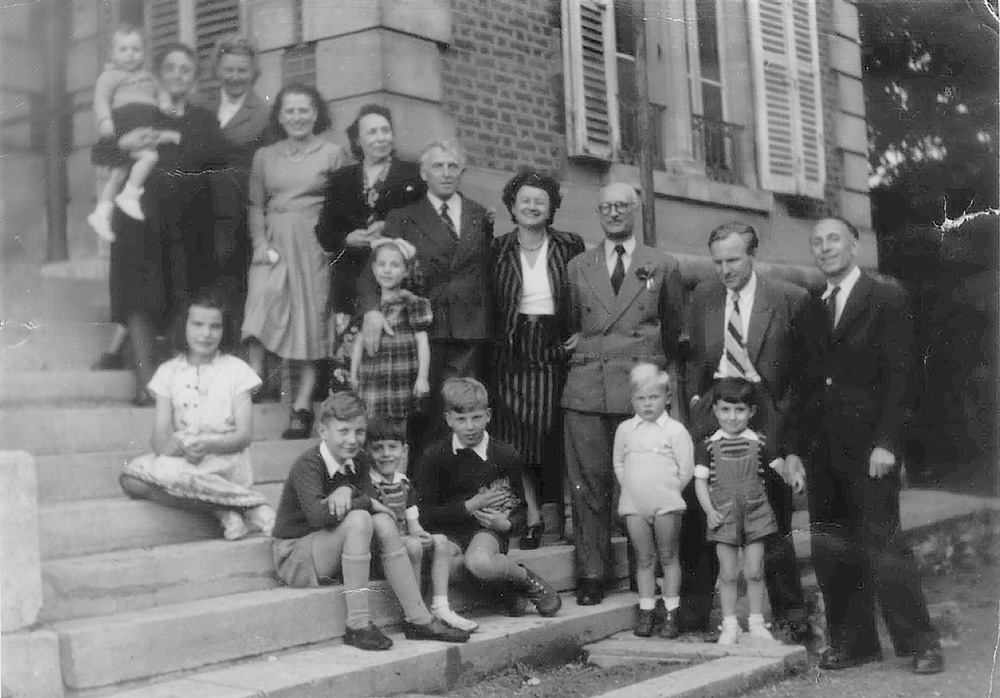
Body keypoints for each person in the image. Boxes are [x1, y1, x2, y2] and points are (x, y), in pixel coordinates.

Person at [784, 217, 943, 673]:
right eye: (817, 242)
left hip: (871, 448)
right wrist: (794, 446)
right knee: (832, 549)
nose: (825, 248)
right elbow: (803, 383)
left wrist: (889, 441)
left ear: (854, 244)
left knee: (884, 545)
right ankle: (855, 643)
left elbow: (903, 377)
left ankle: (920, 644)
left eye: (834, 239)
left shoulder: (886, 297)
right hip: (822, 450)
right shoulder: (811, 307)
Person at [680, 221, 810, 640]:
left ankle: (792, 615)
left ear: (753, 254)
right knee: (702, 515)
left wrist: (785, 434)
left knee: (771, 520)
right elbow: (694, 359)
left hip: (765, 416)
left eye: (733, 260)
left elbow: (799, 373)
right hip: (715, 415)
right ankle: (694, 614)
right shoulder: (703, 295)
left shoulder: (788, 298)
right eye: (717, 261)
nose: (724, 270)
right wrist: (699, 403)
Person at [562, 182, 685, 606]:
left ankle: (643, 572)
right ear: (598, 213)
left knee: (643, 482)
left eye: (622, 206)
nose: (614, 213)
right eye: (606, 207)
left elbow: (674, 333)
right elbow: (570, 324)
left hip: (640, 388)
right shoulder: (579, 266)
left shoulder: (662, 265)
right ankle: (592, 574)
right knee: (588, 486)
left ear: (636, 210)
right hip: (588, 387)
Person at [271, 391, 471, 651]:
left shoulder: (360, 460)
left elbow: (375, 505)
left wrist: (349, 492)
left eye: (359, 432)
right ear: (323, 431)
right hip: (296, 557)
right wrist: (357, 496)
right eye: (343, 431)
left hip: (331, 548)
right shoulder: (308, 464)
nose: (352, 440)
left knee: (383, 523)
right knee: (359, 519)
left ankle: (418, 619)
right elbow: (319, 516)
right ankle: (357, 624)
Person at [109, 42, 235, 405]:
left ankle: (185, 388)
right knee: (140, 299)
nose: (178, 75)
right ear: (158, 73)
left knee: (185, 298)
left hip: (187, 225)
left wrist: (174, 136)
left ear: (194, 78)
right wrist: (124, 142)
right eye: (170, 68)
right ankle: (146, 384)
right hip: (139, 222)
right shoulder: (138, 110)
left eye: (185, 70)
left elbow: (215, 155)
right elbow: (101, 152)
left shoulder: (202, 117)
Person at [357, 139, 494, 454]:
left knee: (464, 409)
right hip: (419, 330)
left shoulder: (479, 215)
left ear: (462, 171)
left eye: (453, 166)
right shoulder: (402, 217)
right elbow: (370, 272)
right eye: (438, 166)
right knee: (423, 412)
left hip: (468, 330)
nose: (446, 173)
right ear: (423, 172)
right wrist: (371, 311)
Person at [119, 292, 276, 540]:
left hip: (225, 459)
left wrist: (210, 444)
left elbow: (244, 436)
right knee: (131, 480)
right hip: (185, 460)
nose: (206, 334)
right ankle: (231, 507)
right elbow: (159, 436)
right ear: (184, 327)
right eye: (198, 325)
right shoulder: (168, 372)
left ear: (224, 330)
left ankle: (238, 503)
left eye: (215, 326)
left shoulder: (237, 371)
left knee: (171, 476)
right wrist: (170, 446)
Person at [241, 84, 347, 440]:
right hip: (273, 236)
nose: (297, 117)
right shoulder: (264, 156)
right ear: (280, 116)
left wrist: (331, 244)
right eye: (290, 111)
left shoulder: (332, 153)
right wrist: (258, 243)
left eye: (304, 110)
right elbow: (255, 204)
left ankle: (301, 406)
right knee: (261, 299)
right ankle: (255, 375)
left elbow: (343, 202)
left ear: (315, 113)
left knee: (309, 319)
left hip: (313, 241)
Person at [491, 168, 585, 549]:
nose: (531, 207)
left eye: (539, 201)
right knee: (515, 434)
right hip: (512, 347)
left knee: (550, 429)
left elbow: (585, 290)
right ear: (513, 206)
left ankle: (557, 513)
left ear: (551, 209)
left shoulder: (569, 245)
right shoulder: (497, 248)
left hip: (554, 344)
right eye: (524, 200)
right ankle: (529, 514)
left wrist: (582, 329)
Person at [415, 378, 562, 618]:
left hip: (488, 531)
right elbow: (425, 514)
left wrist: (507, 524)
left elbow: (521, 511)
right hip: (449, 532)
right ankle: (502, 588)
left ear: (489, 415)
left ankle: (526, 579)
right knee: (445, 568)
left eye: (476, 417)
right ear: (448, 418)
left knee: (480, 561)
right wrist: (468, 506)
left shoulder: (504, 454)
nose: (470, 426)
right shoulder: (434, 456)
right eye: (461, 419)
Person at [693, 378, 793, 645]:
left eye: (739, 411)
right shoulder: (708, 446)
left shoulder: (759, 442)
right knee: (727, 572)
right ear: (715, 410)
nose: (732, 417)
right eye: (725, 410)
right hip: (723, 515)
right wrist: (709, 510)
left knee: (754, 570)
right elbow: (700, 482)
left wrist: (792, 475)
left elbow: (779, 466)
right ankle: (729, 625)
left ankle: (757, 622)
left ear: (752, 412)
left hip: (756, 513)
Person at [366, 417, 478, 632]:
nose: (386, 454)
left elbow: (412, 520)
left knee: (441, 541)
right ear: (368, 452)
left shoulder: (403, 482)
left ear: (403, 450)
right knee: (414, 546)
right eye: (378, 449)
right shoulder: (370, 484)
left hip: (405, 539)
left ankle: (440, 606)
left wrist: (417, 530)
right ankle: (414, 612)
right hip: (384, 552)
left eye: (392, 447)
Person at [315, 104, 426, 321]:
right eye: (372, 132)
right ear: (357, 140)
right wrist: (347, 238)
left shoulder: (413, 174)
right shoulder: (342, 179)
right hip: (351, 279)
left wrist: (389, 225)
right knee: (351, 350)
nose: (381, 138)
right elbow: (324, 231)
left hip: (398, 279)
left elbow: (425, 218)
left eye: (386, 131)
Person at [199, 35, 270, 350]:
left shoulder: (264, 113)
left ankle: (232, 353)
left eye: (242, 70)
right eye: (228, 69)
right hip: (199, 207)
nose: (235, 77)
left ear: (253, 72)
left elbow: (266, 166)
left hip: (239, 210)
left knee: (233, 283)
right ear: (217, 69)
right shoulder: (201, 105)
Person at [613, 364, 694, 637]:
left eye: (654, 397)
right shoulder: (625, 430)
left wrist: (667, 491)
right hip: (634, 504)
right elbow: (620, 464)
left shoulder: (675, 430)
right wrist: (635, 489)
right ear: (632, 400)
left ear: (667, 397)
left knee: (669, 556)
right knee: (644, 559)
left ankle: (671, 611)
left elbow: (686, 470)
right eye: (641, 398)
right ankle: (646, 610)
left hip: (666, 504)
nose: (647, 404)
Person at [87, 23, 180, 239]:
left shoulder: (149, 77)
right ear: (113, 53)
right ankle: (130, 194)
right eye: (123, 49)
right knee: (148, 156)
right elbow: (101, 99)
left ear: (144, 53)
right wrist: (104, 120)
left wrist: (165, 104)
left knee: (118, 173)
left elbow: (162, 94)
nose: (130, 55)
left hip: (145, 125)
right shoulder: (110, 76)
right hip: (125, 125)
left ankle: (101, 213)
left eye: (136, 50)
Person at [349, 238, 431, 425]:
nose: (387, 270)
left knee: (398, 425)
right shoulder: (371, 308)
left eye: (395, 265)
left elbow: (422, 341)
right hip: (372, 376)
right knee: (371, 422)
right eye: (382, 264)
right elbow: (360, 341)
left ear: (406, 271)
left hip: (400, 376)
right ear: (374, 269)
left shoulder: (412, 302)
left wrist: (422, 377)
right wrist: (353, 374)